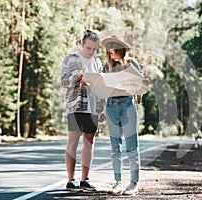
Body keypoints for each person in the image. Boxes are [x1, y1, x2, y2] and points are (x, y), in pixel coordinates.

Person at [101, 35, 146, 196]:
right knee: (115, 148)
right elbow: (102, 87)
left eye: (113, 52)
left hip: (128, 105)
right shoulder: (107, 67)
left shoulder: (132, 63)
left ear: (120, 50)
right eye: (109, 53)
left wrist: (138, 88)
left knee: (132, 147)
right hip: (112, 105)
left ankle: (134, 183)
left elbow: (141, 86)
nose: (112, 56)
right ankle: (117, 182)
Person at [60, 30, 104, 192]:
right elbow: (64, 81)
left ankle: (85, 179)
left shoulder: (98, 62)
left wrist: (102, 108)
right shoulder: (71, 59)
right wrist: (79, 77)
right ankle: (71, 180)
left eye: (94, 49)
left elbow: (101, 85)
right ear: (82, 44)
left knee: (89, 142)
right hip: (76, 105)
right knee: (73, 142)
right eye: (89, 48)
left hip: (93, 107)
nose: (91, 52)